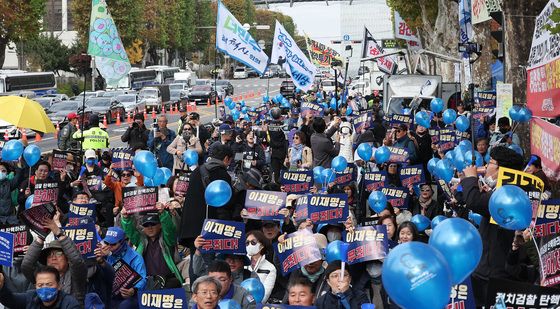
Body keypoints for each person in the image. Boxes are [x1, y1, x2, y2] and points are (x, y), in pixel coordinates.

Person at [461, 146, 524, 307]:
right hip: (502, 269)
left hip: (492, 272)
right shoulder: (515, 192)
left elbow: (473, 201)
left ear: (501, 170)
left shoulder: (503, 196)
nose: (487, 166)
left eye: (490, 162)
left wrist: (470, 178)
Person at [179, 143, 234, 251]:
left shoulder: (196, 171)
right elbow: (226, 203)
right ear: (226, 158)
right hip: (210, 230)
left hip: (191, 230)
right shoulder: (222, 174)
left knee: (195, 262)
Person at [21, 215, 87, 304]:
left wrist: (58, 232)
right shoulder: (41, 276)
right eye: (49, 255)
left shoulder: (76, 276)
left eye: (58, 254)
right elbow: (26, 265)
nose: (53, 257)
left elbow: (76, 261)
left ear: (67, 259)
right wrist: (41, 236)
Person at [121, 211, 184, 288]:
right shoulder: (140, 241)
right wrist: (126, 218)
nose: (150, 228)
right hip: (147, 282)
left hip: (168, 281)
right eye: (146, 225)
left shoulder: (167, 240)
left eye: (153, 224)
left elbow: (169, 230)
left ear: (160, 225)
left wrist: (163, 214)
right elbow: (130, 232)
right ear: (143, 228)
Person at [97, 226, 147, 308]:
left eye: (113, 244)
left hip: (131, 295)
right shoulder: (105, 255)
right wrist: (101, 259)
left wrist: (133, 290)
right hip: (111, 294)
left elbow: (143, 278)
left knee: (124, 306)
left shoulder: (135, 257)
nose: (109, 246)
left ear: (122, 242)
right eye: (106, 243)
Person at [0, 266, 81, 309]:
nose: (44, 288)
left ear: (59, 286)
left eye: (49, 284)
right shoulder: (31, 297)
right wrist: (1, 287)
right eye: (40, 285)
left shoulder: (70, 304)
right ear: (35, 287)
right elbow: (10, 300)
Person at [245, 231, 276, 303]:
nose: (249, 245)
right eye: (247, 243)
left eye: (253, 242)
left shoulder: (270, 268)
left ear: (261, 245)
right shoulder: (241, 262)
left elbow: (265, 293)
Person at [0, 161, 24, 226]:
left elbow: (18, 177)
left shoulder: (9, 183)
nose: (1, 172)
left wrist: (17, 166)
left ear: (7, 173)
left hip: (10, 219)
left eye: (3, 171)